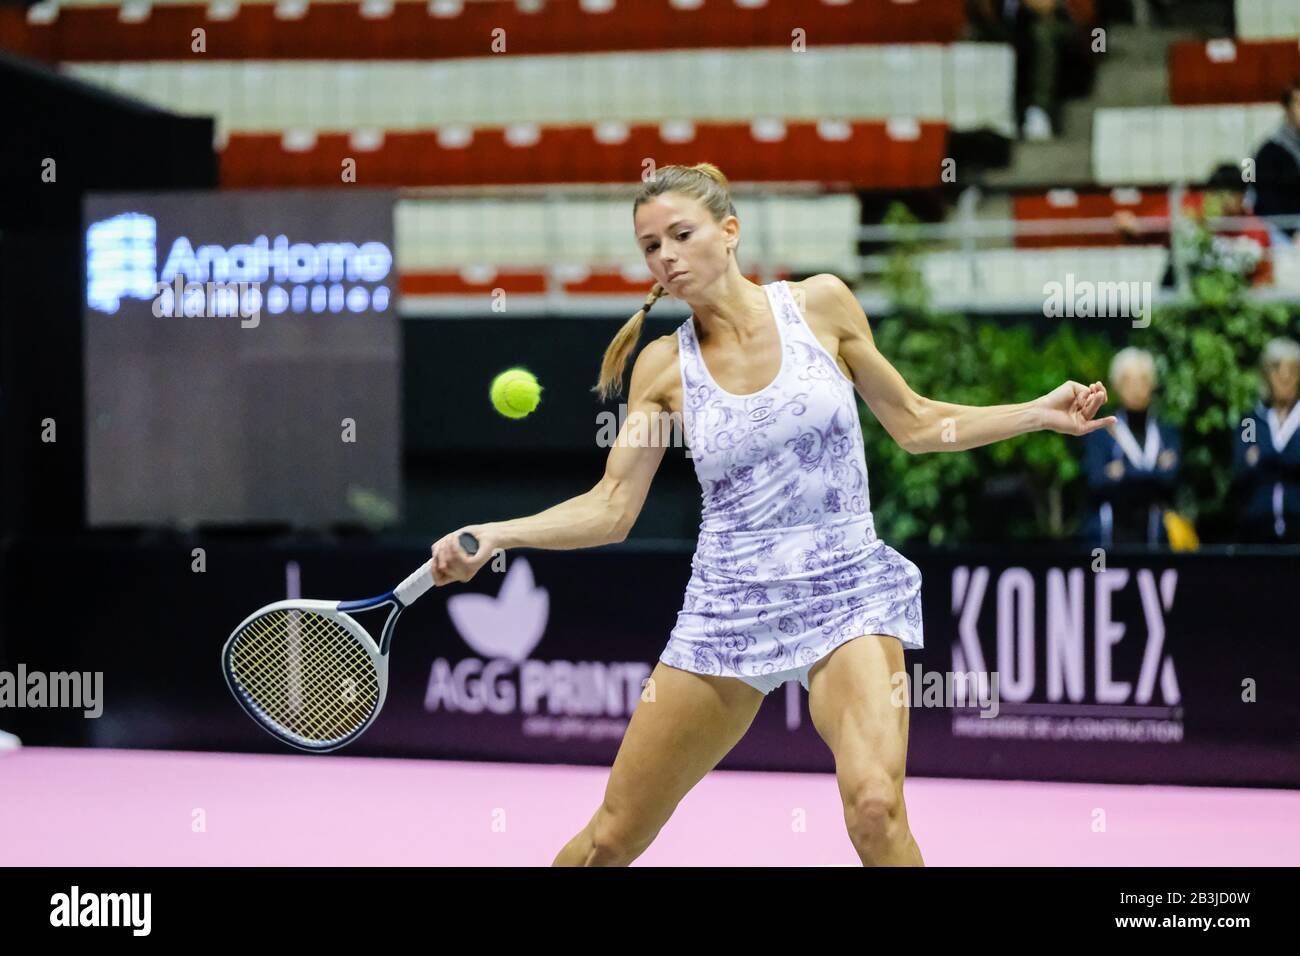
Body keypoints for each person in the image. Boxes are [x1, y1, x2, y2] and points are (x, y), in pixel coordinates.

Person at [427, 163, 1114, 867]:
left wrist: (1036, 414)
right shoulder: (664, 368)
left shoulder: (821, 305)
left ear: (729, 233)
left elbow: (913, 422)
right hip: (728, 607)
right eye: (649, 245)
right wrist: (499, 535)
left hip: (847, 590)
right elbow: (611, 508)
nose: (665, 256)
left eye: (680, 234)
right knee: (611, 838)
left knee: (876, 809)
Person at [1081, 348, 1182, 548]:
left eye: (1143, 380)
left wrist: (1121, 472)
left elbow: (1172, 482)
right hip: (1108, 541)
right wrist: (1154, 472)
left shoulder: (1167, 431)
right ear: (1116, 386)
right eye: (1129, 381)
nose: (1137, 388)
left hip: (1155, 541)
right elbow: (1095, 482)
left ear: (1153, 384)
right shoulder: (1101, 431)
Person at [1231, 338, 1300, 543]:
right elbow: (1242, 467)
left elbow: (1256, 460)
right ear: (1266, 375)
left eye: (1293, 370)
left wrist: (1263, 458)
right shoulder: (1250, 422)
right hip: (1257, 533)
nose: (1285, 376)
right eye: (1277, 369)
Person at [1251, 80, 1300, 244]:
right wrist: (1293, 233)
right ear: (1287, 109)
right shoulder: (1268, 151)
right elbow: (1264, 201)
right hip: (1282, 229)